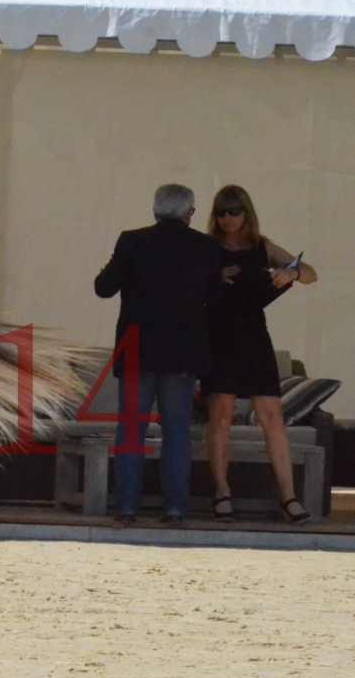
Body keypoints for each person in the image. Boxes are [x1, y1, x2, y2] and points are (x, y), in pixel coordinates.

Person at [94, 184, 223, 525]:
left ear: (154, 209)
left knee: (132, 429)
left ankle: (126, 507)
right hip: (182, 353)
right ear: (189, 213)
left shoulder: (131, 241)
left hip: (137, 350)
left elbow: (103, 287)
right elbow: (217, 299)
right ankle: (176, 508)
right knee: (177, 432)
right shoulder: (205, 247)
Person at [201, 184, 320, 524]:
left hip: (254, 336)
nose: (227, 219)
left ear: (246, 212)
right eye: (221, 212)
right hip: (218, 337)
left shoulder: (261, 246)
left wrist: (291, 273)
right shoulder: (207, 247)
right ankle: (222, 492)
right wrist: (214, 276)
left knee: (272, 416)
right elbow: (186, 282)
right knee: (220, 417)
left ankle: (289, 497)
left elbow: (311, 273)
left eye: (234, 211)